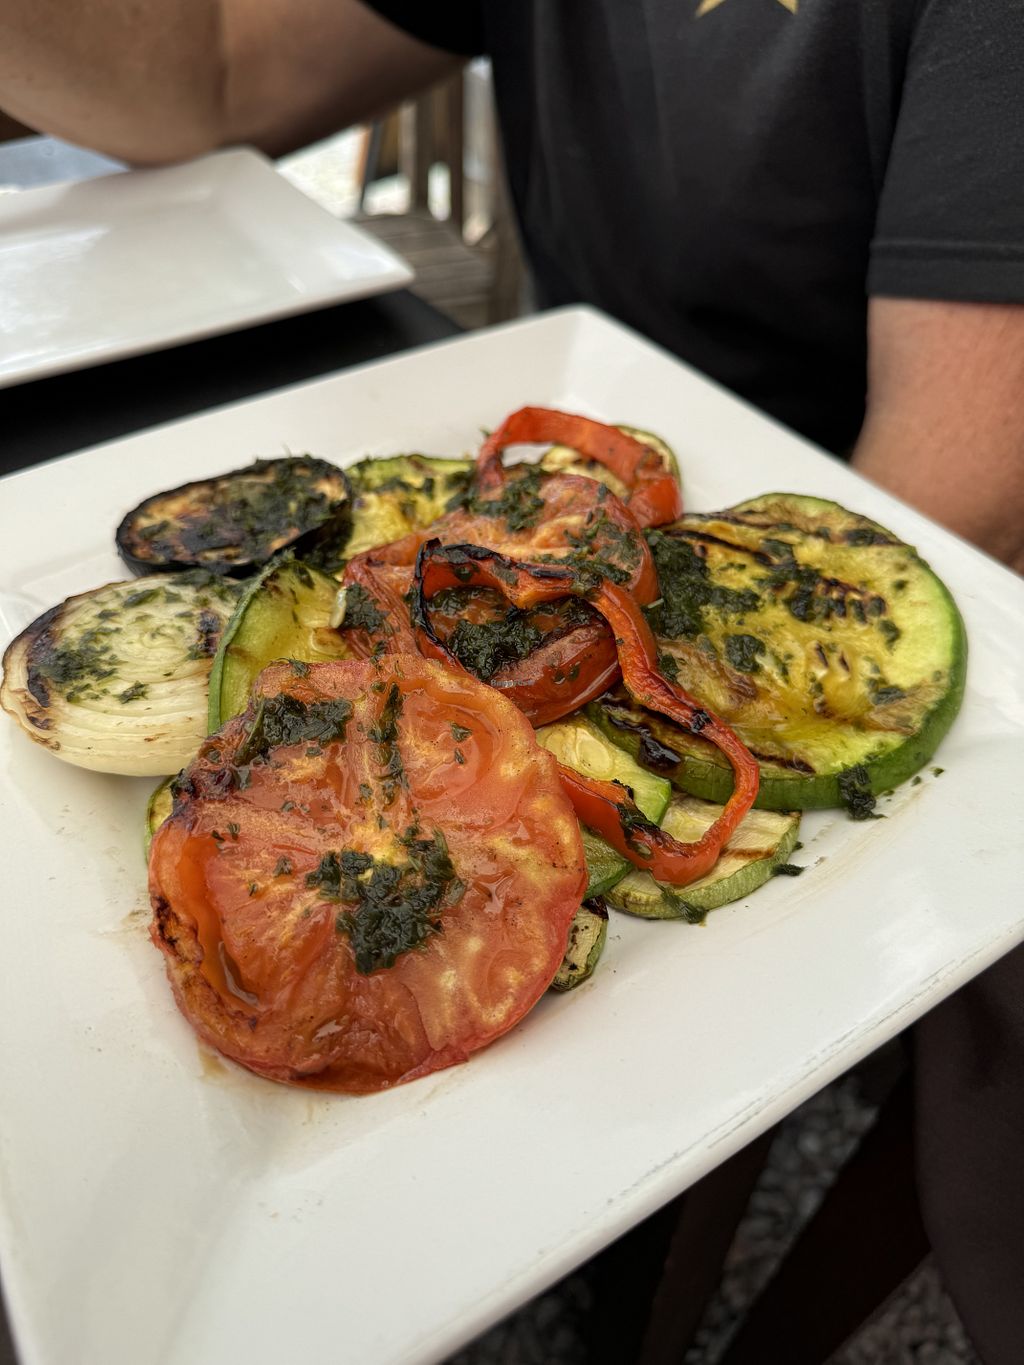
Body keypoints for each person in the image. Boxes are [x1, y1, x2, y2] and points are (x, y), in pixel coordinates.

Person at [2, 3, 1022, 1359]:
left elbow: (960, 506)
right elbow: (215, 74)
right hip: (561, 485)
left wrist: (612, 711)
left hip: (842, 558)